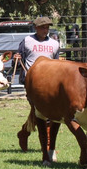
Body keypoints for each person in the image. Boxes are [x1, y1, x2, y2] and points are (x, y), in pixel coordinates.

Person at [16, 17, 60, 150]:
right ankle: (47, 144)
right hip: (32, 83)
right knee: (42, 111)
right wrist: (16, 59)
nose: (45, 30)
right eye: (42, 27)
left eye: (47, 27)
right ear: (36, 28)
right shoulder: (27, 41)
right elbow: (18, 60)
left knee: (39, 111)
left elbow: (56, 63)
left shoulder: (54, 44)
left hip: (50, 83)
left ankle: (24, 132)